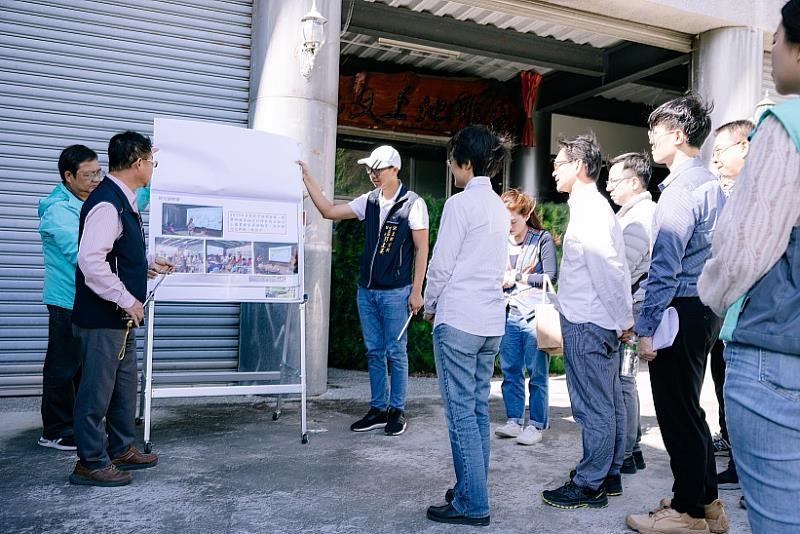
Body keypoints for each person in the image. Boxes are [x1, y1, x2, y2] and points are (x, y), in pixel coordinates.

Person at [699, 2, 800, 530]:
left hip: (778, 355)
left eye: (779, 36)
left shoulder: (785, 123)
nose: (774, 47)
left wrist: (711, 294)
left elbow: (742, 249)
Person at [626, 95, 729, 534]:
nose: (651, 138)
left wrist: (646, 329)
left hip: (680, 309)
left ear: (680, 135)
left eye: (657, 130)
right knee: (690, 408)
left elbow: (664, 268)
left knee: (675, 412)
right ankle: (706, 504)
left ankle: (686, 513)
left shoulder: (681, 191)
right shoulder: (710, 184)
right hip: (705, 309)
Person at [298, 146, 429, 436]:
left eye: (378, 169)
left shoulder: (412, 203)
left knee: (396, 352)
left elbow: (422, 249)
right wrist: (308, 179)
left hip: (397, 291)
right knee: (373, 351)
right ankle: (378, 409)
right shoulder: (368, 201)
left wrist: (417, 290)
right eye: (370, 170)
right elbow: (329, 211)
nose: (372, 175)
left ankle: (396, 410)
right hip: (366, 290)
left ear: (394, 169)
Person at [70, 131, 173, 487]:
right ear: (138, 163)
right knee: (96, 391)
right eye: (151, 161)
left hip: (119, 320)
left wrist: (146, 264)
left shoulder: (121, 199)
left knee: (122, 386)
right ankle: (90, 462)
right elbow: (90, 261)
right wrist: (127, 299)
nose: (153, 168)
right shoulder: (107, 203)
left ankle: (120, 448)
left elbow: (116, 254)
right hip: (103, 318)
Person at [423, 125, 510, 526]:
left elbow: (441, 264)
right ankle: (470, 491)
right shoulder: (498, 205)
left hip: (459, 319)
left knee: (461, 414)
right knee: (476, 412)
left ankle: (472, 504)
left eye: (452, 158)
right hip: (491, 321)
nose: (450, 165)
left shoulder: (461, 204)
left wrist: (429, 303)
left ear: (466, 163)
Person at [541, 133, 632, 510]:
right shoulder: (590, 207)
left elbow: (609, 270)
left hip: (589, 324)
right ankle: (606, 474)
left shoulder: (591, 209)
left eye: (559, 163)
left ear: (578, 167)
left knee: (593, 407)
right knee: (606, 403)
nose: (554, 169)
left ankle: (589, 484)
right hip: (596, 321)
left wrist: (624, 318)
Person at [36, 145, 102, 451]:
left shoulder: (89, 201)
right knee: (63, 367)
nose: (95, 180)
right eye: (88, 175)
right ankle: (56, 430)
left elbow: (138, 196)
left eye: (98, 172)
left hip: (87, 299)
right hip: (65, 300)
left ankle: (74, 424)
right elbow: (80, 254)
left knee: (82, 367)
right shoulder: (58, 211)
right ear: (68, 176)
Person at [707, 119, 754, 491]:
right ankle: (737, 457)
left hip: (749, 318)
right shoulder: (732, 193)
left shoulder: (758, 195)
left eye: (720, 150)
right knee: (725, 385)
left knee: (743, 398)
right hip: (728, 315)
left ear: (745, 147)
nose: (716, 159)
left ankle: (747, 471)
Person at [605, 152, 657, 475]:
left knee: (623, 380)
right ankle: (633, 447)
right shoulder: (636, 212)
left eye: (614, 180)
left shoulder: (639, 217)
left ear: (634, 182)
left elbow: (623, 268)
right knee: (628, 380)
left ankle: (624, 452)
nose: (608, 186)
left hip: (632, 307)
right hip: (637, 305)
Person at [494, 189, 557, 446]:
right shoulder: (498, 241)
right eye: (504, 221)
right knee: (509, 370)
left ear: (526, 214)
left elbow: (550, 277)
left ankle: (537, 424)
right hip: (507, 313)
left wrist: (517, 277)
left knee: (537, 372)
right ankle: (513, 420)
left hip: (534, 314)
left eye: (513, 221)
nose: (509, 227)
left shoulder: (541, 239)